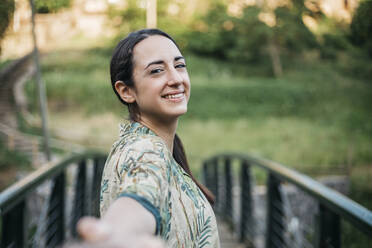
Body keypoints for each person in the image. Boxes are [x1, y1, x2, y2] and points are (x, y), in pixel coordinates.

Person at [76, 29, 220, 248]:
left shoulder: (162, 149)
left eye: (179, 65)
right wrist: (116, 236)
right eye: (157, 71)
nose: (175, 79)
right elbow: (141, 192)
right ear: (126, 91)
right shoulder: (142, 149)